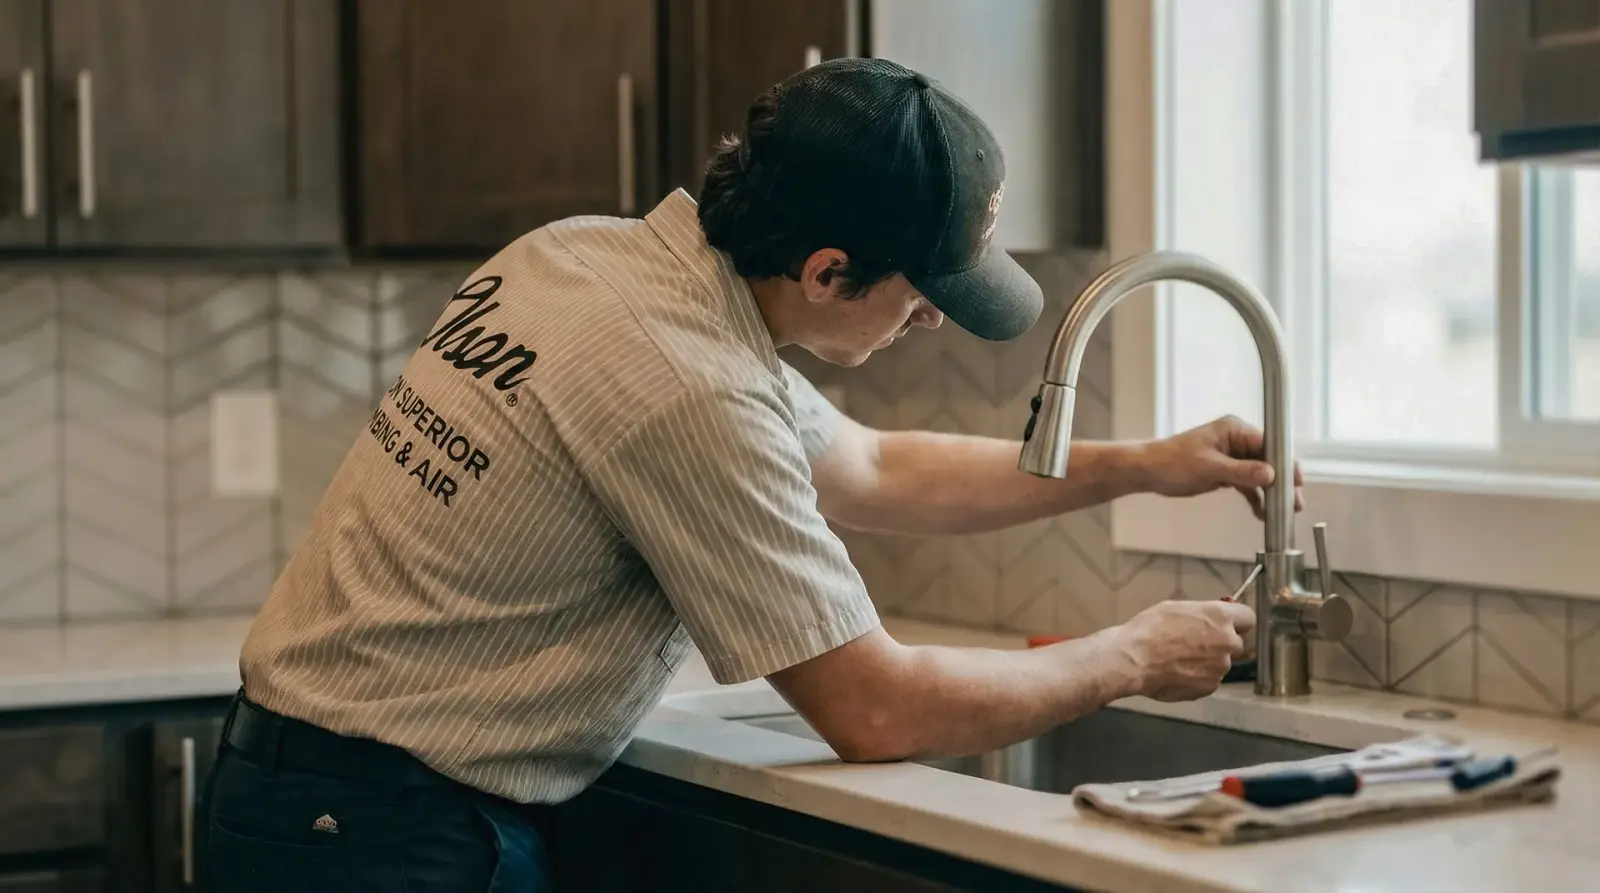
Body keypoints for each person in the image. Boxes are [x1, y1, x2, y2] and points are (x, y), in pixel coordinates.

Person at [201, 58, 1294, 891]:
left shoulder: (585, 257)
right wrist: (1135, 652)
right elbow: (874, 707)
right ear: (826, 270)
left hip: (306, 792)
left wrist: (1147, 464)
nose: (928, 317)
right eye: (923, 291)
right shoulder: (688, 383)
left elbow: (868, 465)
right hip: (386, 836)